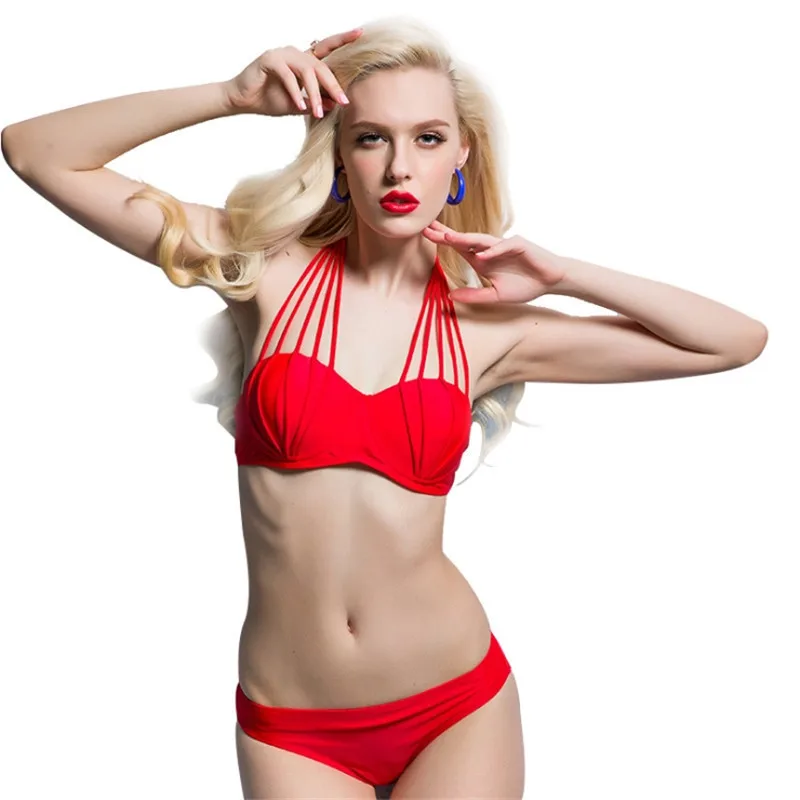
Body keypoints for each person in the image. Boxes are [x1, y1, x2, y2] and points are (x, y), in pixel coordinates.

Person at [1, 15, 768, 800]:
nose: (400, 166)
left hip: (454, 706)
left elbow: (734, 342)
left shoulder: (487, 328)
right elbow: (35, 151)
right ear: (338, 152)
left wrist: (566, 274)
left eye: (429, 138)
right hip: (293, 724)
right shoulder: (262, 271)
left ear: (462, 153)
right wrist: (231, 95)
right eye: (372, 138)